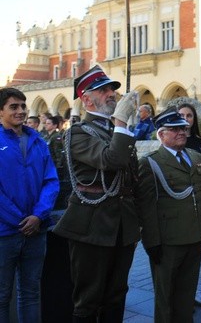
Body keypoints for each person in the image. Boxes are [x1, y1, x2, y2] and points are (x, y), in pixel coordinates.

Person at [53, 65, 141, 322]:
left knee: (117, 294)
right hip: (92, 225)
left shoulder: (114, 131)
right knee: (88, 299)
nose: (111, 94)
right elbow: (111, 159)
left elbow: (131, 176)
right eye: (103, 90)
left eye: (112, 89)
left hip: (122, 224)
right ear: (86, 98)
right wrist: (122, 122)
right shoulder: (79, 133)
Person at [136, 108, 201, 323]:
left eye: (183, 128)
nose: (181, 132)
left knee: (187, 294)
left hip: (194, 237)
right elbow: (146, 207)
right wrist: (152, 242)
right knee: (166, 297)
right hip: (168, 242)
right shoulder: (150, 163)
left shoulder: (195, 156)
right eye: (174, 129)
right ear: (161, 134)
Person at [0, 87, 59, 323]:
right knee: (2, 296)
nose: (21, 111)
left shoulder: (39, 141)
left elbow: (51, 181)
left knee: (31, 293)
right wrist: (19, 220)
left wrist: (37, 216)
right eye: (14, 107)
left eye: (23, 106)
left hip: (37, 230)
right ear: (0, 111)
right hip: (5, 233)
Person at [177, 102, 201, 306]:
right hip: (180, 203)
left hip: (197, 204)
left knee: (195, 251)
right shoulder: (172, 140)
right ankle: (181, 293)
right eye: (181, 115)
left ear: (194, 119)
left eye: (189, 116)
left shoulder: (200, 142)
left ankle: (193, 290)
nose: (185, 119)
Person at [41, 113, 75, 322]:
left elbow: (59, 159)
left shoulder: (57, 137)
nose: (44, 125)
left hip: (58, 181)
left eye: (46, 122)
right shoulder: (45, 137)